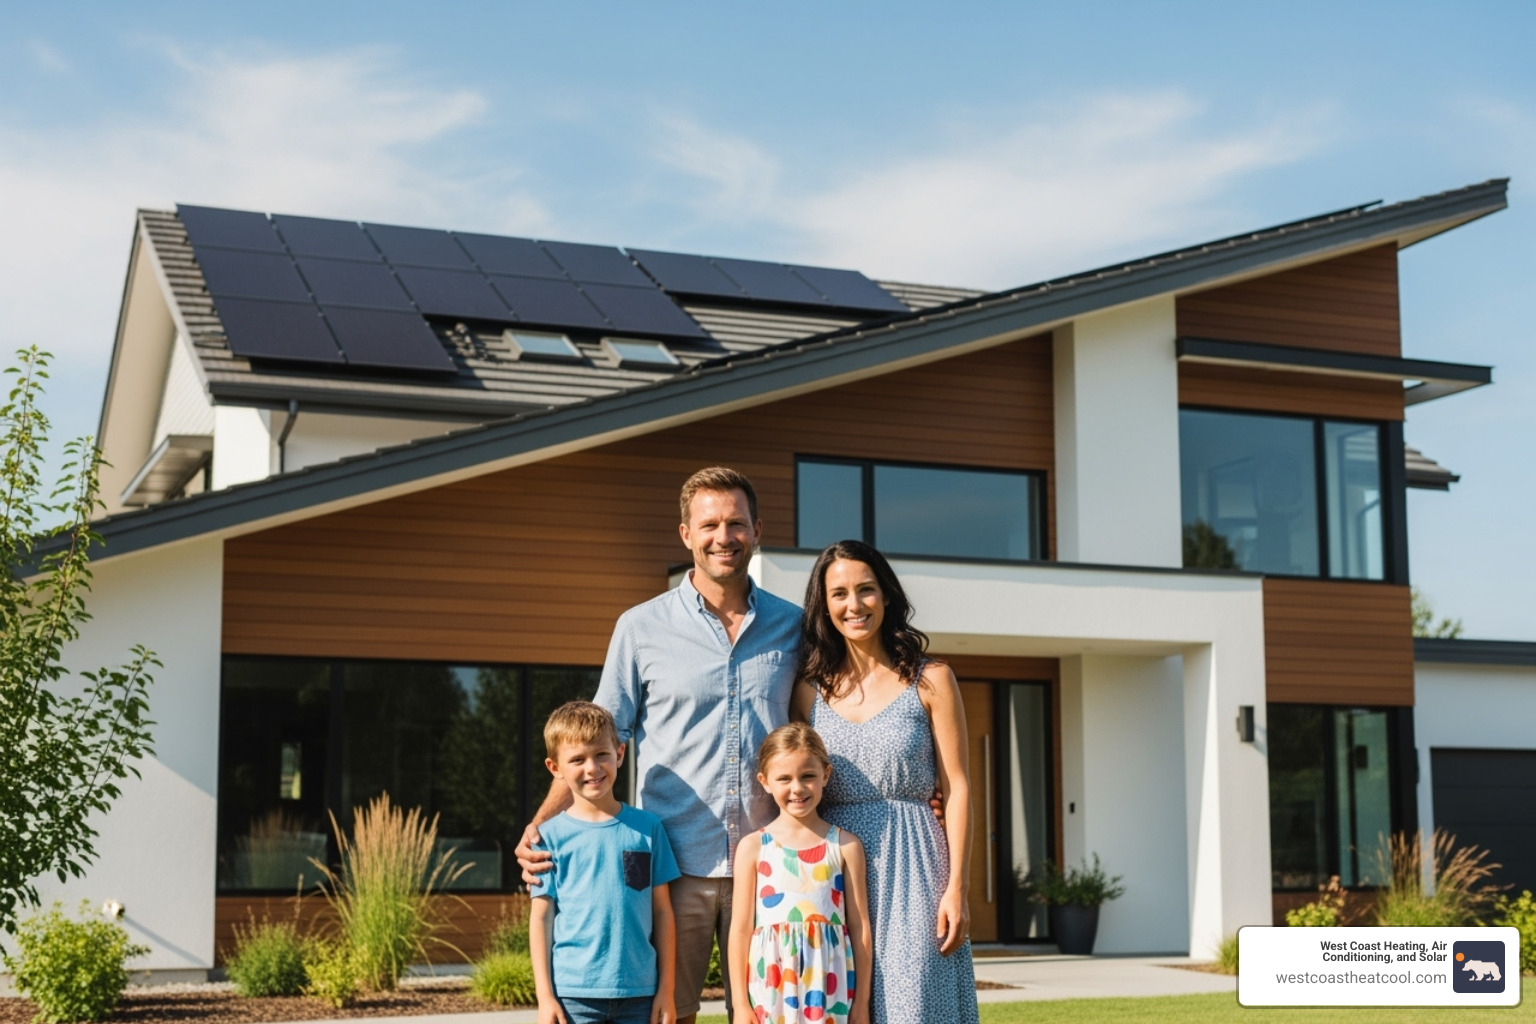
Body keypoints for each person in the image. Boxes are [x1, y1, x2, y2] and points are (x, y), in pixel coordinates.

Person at [518, 468, 802, 1024]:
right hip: (675, 867)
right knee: (672, 1014)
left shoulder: (794, 627)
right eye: (711, 524)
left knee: (777, 1013)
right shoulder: (640, 627)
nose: (724, 536)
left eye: (736, 523)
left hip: (772, 861)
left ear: (757, 530)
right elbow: (599, 736)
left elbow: (819, 733)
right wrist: (539, 826)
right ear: (686, 534)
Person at [792, 540, 980, 1024]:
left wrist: (957, 886)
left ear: (888, 596)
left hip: (917, 865)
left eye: (866, 590)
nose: (853, 605)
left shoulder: (931, 678)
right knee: (837, 1004)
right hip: (831, 870)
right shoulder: (806, 692)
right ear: (824, 605)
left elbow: (957, 787)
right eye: (839, 594)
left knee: (914, 1003)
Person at [528, 701, 679, 1024]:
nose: (592, 768)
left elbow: (663, 912)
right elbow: (541, 919)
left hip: (640, 993)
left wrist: (666, 990)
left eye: (601, 755)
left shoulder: (648, 828)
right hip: (573, 996)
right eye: (577, 760)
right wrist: (545, 997)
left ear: (620, 754)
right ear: (555, 768)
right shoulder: (548, 839)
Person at [727, 723, 872, 1024]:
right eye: (784, 779)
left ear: (826, 775)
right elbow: (740, 930)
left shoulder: (846, 846)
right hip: (771, 988)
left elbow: (860, 929)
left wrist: (861, 1004)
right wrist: (740, 1005)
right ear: (764, 782)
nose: (797, 788)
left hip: (830, 987)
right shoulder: (753, 848)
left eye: (808, 776)